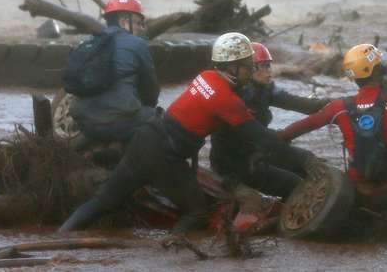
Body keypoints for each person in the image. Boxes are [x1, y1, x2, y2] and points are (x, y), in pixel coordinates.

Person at [59, 32, 319, 235]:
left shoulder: (206, 76)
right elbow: (261, 137)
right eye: (247, 66)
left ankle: (61, 237)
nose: (251, 71)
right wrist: (302, 159)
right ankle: (175, 251)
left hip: (145, 139)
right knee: (197, 212)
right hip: (164, 156)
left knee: (105, 200)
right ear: (231, 67)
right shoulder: (225, 99)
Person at [278, 38, 387, 211]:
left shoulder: (339, 107)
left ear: (354, 77)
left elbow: (301, 127)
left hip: (355, 195)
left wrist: (277, 137)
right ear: (378, 69)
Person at [209, 42, 327, 199]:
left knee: (308, 169)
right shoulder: (232, 100)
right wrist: (303, 157)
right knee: (295, 185)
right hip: (235, 166)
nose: (268, 72)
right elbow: (262, 137)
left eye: (268, 66)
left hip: (256, 151)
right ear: (246, 69)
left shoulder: (266, 89)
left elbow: (303, 104)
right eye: (261, 67)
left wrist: (344, 102)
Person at [69, 0, 160, 143]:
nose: (141, 28)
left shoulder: (88, 43)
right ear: (124, 22)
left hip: (83, 124)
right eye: (139, 23)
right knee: (157, 118)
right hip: (119, 124)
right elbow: (151, 91)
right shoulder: (137, 44)